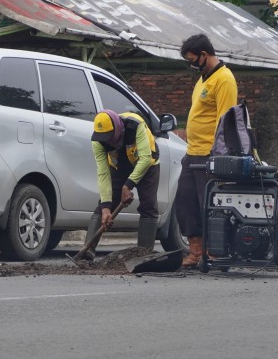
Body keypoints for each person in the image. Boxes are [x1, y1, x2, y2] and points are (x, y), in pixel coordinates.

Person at [174, 33, 238, 268]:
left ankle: (214, 251)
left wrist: (217, 156)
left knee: (208, 204)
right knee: (185, 201)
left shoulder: (224, 79)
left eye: (192, 60)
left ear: (204, 55)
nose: (191, 65)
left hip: (210, 154)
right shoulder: (203, 79)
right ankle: (196, 251)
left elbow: (226, 120)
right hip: (193, 152)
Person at [81, 109, 161, 260]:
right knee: (105, 205)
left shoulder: (135, 124)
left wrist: (128, 185)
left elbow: (145, 159)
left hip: (147, 164)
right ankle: (87, 251)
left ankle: (143, 254)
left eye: (109, 137)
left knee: (149, 205)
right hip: (120, 165)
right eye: (104, 138)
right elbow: (103, 173)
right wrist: (106, 207)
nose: (107, 141)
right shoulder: (98, 141)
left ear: (117, 128)